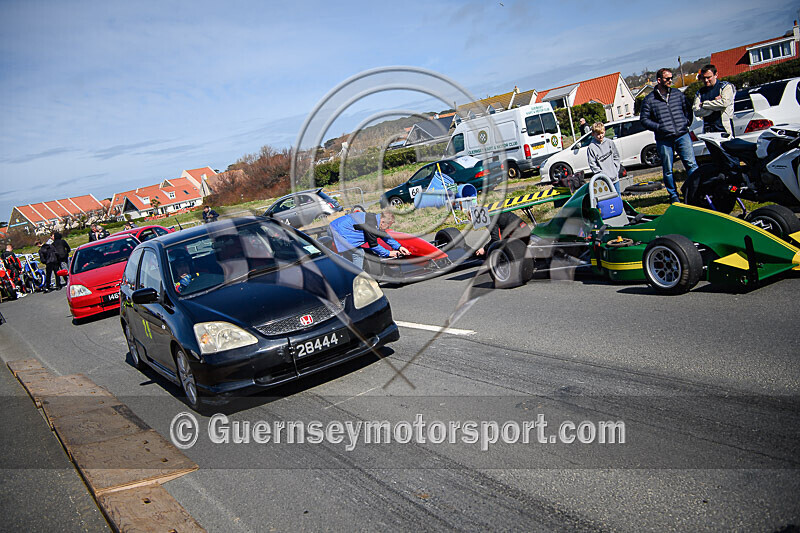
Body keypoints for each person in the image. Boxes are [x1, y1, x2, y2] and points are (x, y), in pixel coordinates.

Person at [640, 68, 699, 203]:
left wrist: (686, 122)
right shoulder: (649, 100)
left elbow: (687, 109)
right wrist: (659, 127)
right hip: (664, 139)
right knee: (668, 169)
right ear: (659, 80)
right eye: (667, 79)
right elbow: (644, 120)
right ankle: (673, 195)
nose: (670, 81)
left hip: (682, 135)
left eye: (671, 78)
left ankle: (695, 191)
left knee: (691, 165)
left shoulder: (678, 94)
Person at [329, 210, 410, 269]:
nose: (389, 228)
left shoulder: (375, 220)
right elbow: (373, 245)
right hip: (337, 230)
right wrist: (388, 253)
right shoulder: (371, 225)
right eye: (388, 226)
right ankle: (358, 278)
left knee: (349, 258)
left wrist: (399, 247)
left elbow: (384, 236)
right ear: (383, 222)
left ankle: (348, 274)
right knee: (358, 253)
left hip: (338, 227)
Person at [693, 64, 735, 136]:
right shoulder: (700, 92)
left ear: (716, 75)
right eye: (704, 78)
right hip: (708, 131)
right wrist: (715, 105)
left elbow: (724, 103)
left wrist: (704, 104)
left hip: (724, 129)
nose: (706, 80)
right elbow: (696, 111)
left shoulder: (725, 87)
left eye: (708, 77)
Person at [586, 121, 622, 193]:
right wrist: (601, 174)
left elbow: (616, 156)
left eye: (602, 133)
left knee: (617, 197)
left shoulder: (610, 142)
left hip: (615, 177)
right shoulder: (591, 147)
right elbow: (592, 164)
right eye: (598, 134)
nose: (600, 136)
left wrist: (615, 169)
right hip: (604, 180)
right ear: (593, 134)